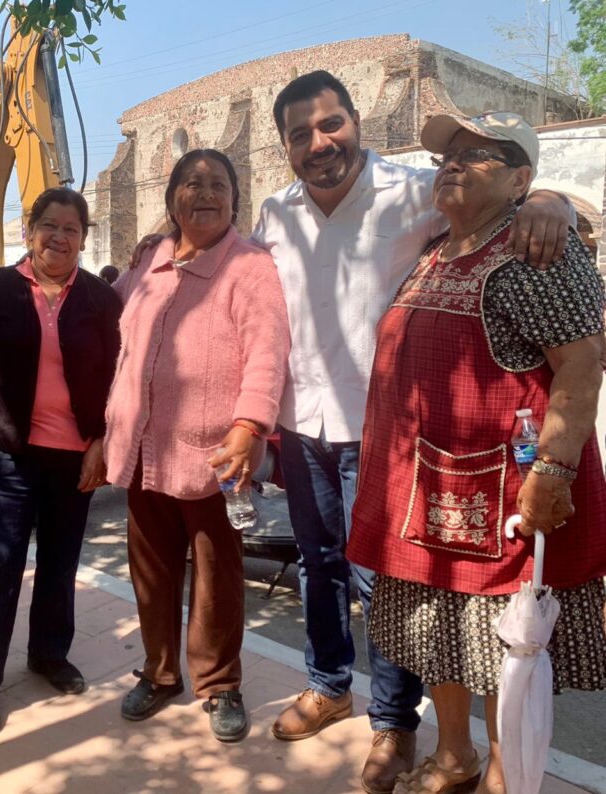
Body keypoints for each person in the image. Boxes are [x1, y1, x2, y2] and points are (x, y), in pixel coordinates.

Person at [251, 72, 575, 793]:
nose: (319, 143)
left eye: (330, 124)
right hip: (303, 424)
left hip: (386, 432)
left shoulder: (413, 191)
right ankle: (328, 684)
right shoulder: (274, 213)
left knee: (386, 582)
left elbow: (499, 200)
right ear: (285, 147)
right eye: (300, 134)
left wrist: (547, 199)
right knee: (317, 565)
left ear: (354, 121)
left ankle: (393, 723)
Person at [346, 113, 606, 794]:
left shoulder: (537, 252)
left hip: (499, 497)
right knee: (438, 634)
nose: (453, 164)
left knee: (500, 642)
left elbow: (583, 364)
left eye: (478, 155)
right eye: (448, 156)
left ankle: (502, 770)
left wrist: (554, 469)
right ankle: (453, 754)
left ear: (520, 179)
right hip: (420, 490)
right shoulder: (433, 249)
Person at [106, 149, 290, 743]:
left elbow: (267, 351)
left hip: (215, 455)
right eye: (191, 183)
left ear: (235, 199)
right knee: (151, 573)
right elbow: (114, 325)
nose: (205, 193)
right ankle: (160, 674)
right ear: (172, 199)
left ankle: (220, 684)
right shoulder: (151, 261)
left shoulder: (249, 265)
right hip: (144, 448)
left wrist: (249, 425)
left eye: (218, 184)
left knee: (216, 578)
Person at [0, 187, 122, 735]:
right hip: (11, 457)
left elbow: (120, 376)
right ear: (29, 230)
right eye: (50, 225)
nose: (59, 237)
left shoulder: (100, 298)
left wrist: (102, 441)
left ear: (83, 239)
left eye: (72, 228)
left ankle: (49, 654)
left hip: (76, 458)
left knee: (60, 564)